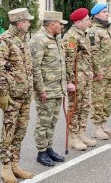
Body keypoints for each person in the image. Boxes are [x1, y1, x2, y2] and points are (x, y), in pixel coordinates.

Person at [0, 8, 34, 183]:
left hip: (24, 95)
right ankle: (6, 167)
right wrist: (2, 94)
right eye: (28, 21)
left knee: (20, 131)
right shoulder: (4, 41)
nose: (30, 23)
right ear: (20, 22)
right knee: (8, 132)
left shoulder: (23, 40)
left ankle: (16, 164)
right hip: (12, 97)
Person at [30, 11, 70, 166]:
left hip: (57, 88)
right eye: (60, 24)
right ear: (52, 24)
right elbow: (35, 67)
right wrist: (41, 89)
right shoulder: (39, 40)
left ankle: (48, 148)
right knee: (43, 122)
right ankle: (41, 152)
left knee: (52, 121)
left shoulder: (57, 39)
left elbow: (61, 64)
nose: (62, 26)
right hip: (46, 90)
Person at [63, 8, 97, 151]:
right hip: (76, 79)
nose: (89, 22)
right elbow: (69, 61)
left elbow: (87, 56)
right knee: (74, 107)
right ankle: (73, 137)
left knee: (85, 106)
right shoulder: (71, 37)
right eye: (87, 20)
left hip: (85, 77)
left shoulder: (84, 34)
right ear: (78, 22)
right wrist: (69, 81)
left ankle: (81, 132)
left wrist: (91, 71)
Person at [88, 3, 111, 139]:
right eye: (104, 12)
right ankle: (96, 128)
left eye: (107, 11)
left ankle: (103, 125)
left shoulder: (110, 29)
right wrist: (98, 71)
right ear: (96, 15)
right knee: (98, 100)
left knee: (109, 99)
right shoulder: (93, 31)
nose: (107, 14)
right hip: (100, 73)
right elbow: (93, 53)